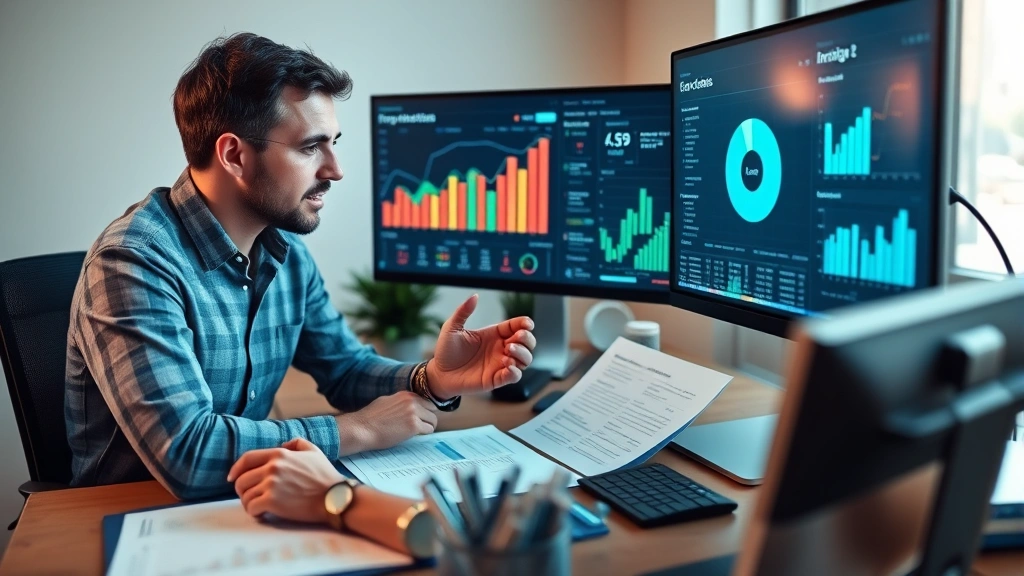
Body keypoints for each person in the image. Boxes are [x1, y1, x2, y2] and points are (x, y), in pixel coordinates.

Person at [65, 32, 536, 500]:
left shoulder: (284, 251)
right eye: (311, 147)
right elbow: (188, 452)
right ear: (234, 155)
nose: (335, 169)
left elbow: (345, 369)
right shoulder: (132, 263)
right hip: (128, 520)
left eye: (334, 143)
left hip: (251, 504)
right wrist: (358, 430)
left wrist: (431, 378)